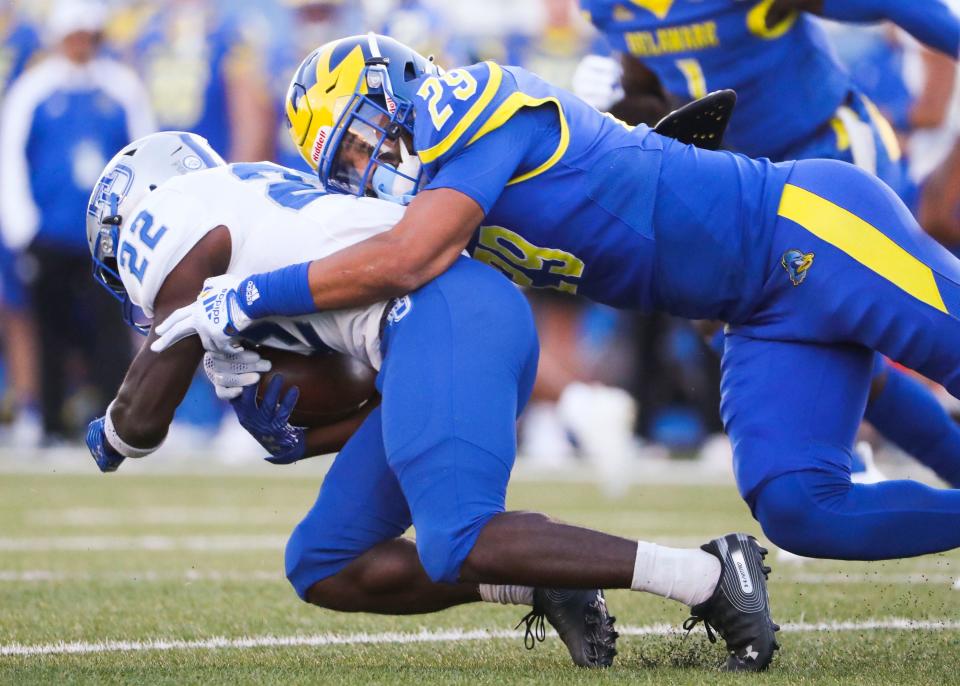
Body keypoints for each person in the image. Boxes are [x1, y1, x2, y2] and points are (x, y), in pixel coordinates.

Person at [154, 35, 960, 570]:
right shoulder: (440, 201)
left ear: (396, 90)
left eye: (366, 138)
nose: (369, 169)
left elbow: (403, 261)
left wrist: (249, 295)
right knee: (797, 506)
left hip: (809, 231)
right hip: (758, 313)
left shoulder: (465, 98)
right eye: (349, 164)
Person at [84, 131, 779, 671]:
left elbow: (144, 417)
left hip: (441, 315)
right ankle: (542, 583)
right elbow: (363, 389)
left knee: (459, 536)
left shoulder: (171, 216)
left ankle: (709, 573)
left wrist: (113, 435)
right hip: (436, 330)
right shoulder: (250, 205)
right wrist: (292, 430)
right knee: (325, 562)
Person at [579, 0, 960, 487]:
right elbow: (656, 99)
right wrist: (615, 103)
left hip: (830, 156)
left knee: (912, 320)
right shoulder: (606, 8)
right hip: (742, 185)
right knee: (721, 322)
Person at [0, 0, 153, 442]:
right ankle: (48, 420)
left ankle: (114, 422)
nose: (81, 44)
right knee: (49, 329)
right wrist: (23, 227)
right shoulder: (33, 89)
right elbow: (11, 159)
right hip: (48, 233)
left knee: (109, 329)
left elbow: (144, 153)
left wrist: (134, 222)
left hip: (106, 237)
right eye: (74, 35)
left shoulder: (122, 87)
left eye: (88, 34)